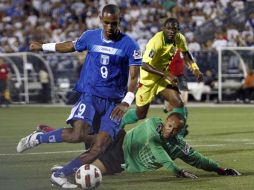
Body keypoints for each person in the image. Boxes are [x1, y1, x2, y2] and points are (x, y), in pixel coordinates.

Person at [16, 4, 142, 188]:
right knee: (78, 134)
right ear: (100, 19)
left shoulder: (130, 45)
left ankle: (60, 175)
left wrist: (126, 102)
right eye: (106, 23)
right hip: (89, 95)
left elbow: (134, 77)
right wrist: (43, 47)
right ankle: (37, 138)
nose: (109, 27)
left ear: (119, 21)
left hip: (114, 103)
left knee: (99, 146)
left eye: (113, 23)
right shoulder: (90, 36)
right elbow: (70, 46)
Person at [49, 112, 241, 187]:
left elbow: (199, 160)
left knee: (88, 171)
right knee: (87, 135)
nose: (170, 130)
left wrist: (220, 170)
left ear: (179, 131)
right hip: (118, 144)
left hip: (121, 161)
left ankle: (68, 167)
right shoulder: (152, 127)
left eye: (175, 130)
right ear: (165, 122)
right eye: (169, 126)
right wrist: (177, 171)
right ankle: (53, 139)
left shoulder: (179, 146)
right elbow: (160, 154)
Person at [120, 18, 203, 133]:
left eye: (174, 29)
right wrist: (166, 74)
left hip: (162, 77)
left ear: (178, 30)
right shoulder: (156, 42)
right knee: (141, 114)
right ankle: (120, 121)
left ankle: (178, 134)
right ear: (163, 29)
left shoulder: (179, 38)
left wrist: (195, 69)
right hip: (148, 80)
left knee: (178, 103)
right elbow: (144, 64)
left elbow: (186, 54)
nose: (171, 31)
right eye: (168, 28)